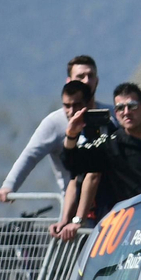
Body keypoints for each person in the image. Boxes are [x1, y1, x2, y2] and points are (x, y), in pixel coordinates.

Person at [0, 55, 105, 205]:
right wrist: (9, 186)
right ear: (69, 82)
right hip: (74, 206)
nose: (86, 81)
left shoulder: (110, 116)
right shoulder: (55, 122)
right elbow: (30, 155)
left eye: (90, 76)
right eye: (80, 76)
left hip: (114, 205)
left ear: (97, 80)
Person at [62, 83, 141, 216]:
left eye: (132, 106)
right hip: (135, 221)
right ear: (116, 114)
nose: (126, 112)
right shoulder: (110, 145)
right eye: (120, 108)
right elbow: (73, 163)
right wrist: (71, 135)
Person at [47, 80, 114, 240]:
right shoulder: (74, 132)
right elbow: (74, 178)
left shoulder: (103, 129)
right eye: (66, 106)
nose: (71, 111)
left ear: (89, 103)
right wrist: (64, 220)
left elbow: (93, 175)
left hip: (107, 214)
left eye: (76, 105)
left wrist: (78, 220)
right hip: (87, 216)